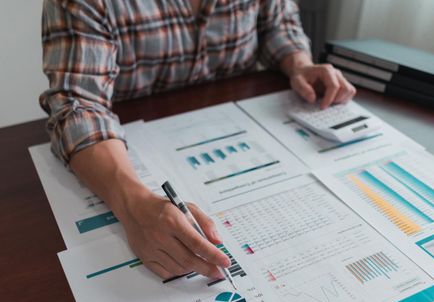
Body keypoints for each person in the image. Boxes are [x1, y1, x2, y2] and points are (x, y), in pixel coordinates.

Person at [40, 0, 356, 280]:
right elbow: (77, 104)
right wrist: (133, 203)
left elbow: (277, 23)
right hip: (126, 149)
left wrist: (299, 64)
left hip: (241, 140)